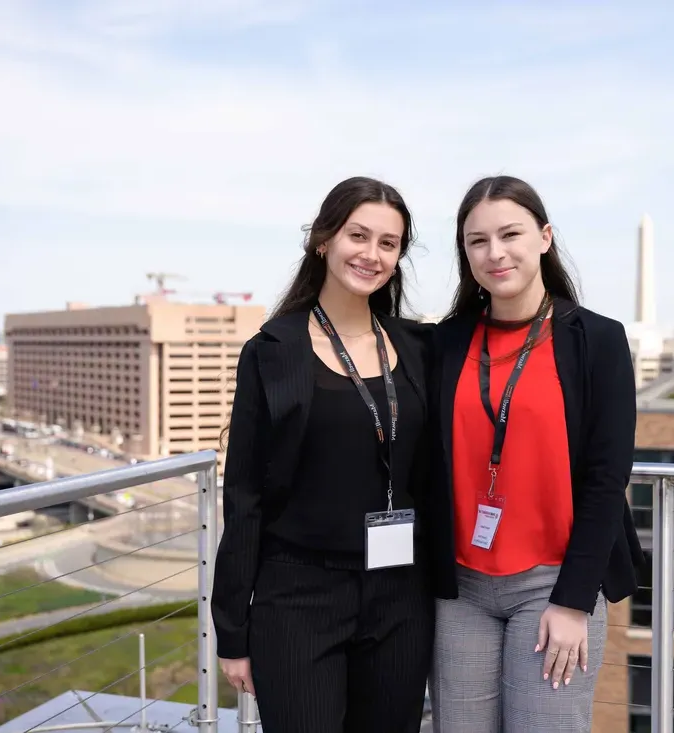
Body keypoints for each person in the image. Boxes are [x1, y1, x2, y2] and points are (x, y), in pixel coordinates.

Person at [211, 176, 435, 733]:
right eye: (358, 235)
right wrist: (232, 632)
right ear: (323, 240)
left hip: (401, 593)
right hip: (299, 597)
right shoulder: (273, 351)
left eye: (389, 243)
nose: (372, 253)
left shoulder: (418, 348)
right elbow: (243, 495)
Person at [425, 175, 644, 732]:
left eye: (510, 234)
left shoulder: (597, 340)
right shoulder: (446, 343)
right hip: (461, 587)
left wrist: (574, 602)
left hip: (554, 585)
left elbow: (606, 477)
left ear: (544, 237)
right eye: (477, 241)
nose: (495, 253)